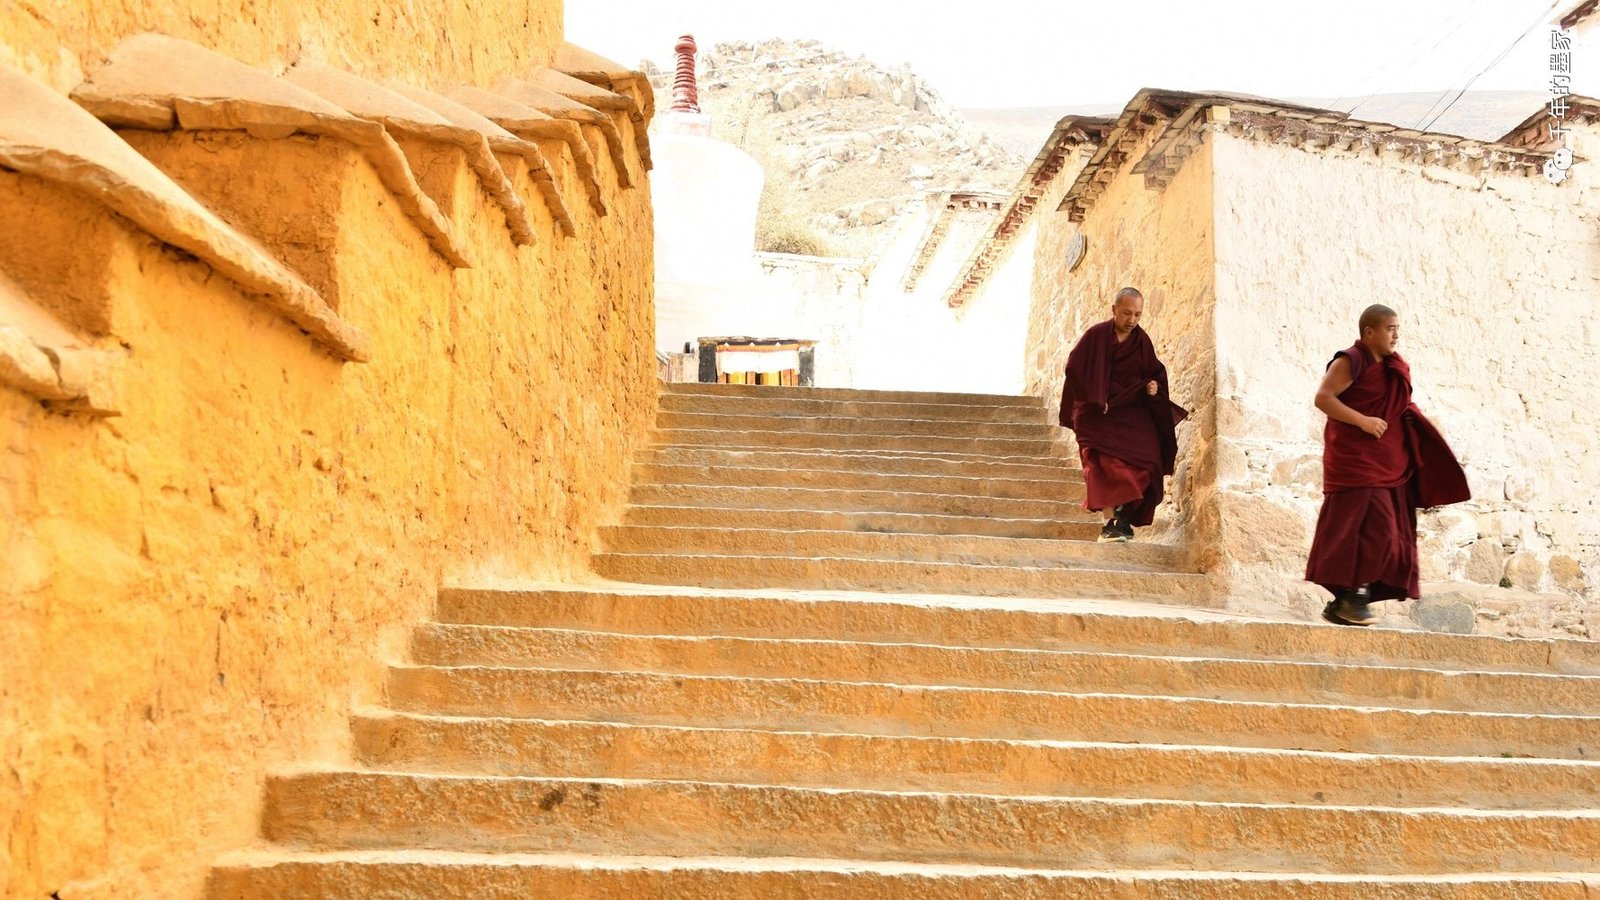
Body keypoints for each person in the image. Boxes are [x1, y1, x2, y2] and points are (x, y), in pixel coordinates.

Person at [1306, 304, 1470, 626]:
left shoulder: (1394, 366)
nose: (1396, 335)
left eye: (1398, 328)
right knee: (1367, 530)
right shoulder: (1350, 360)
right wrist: (1363, 421)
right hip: (1357, 461)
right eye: (1389, 328)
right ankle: (1353, 598)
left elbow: (1396, 405)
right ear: (1369, 332)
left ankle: (1346, 602)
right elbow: (1323, 398)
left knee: (1390, 534)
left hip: (1388, 462)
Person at [1058, 287, 1188, 543]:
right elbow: (1074, 368)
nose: (1132, 320)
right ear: (1114, 310)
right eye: (1127, 313)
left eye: (1138, 314)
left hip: (1129, 412)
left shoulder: (1142, 341)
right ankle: (1110, 525)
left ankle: (1124, 516)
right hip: (1097, 415)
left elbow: (1153, 372)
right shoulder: (1096, 336)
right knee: (1105, 466)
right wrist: (1097, 397)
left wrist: (1153, 387)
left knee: (1150, 459)